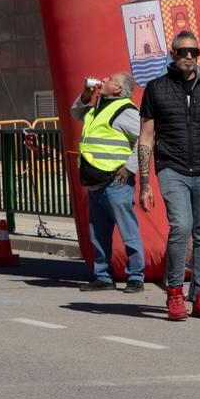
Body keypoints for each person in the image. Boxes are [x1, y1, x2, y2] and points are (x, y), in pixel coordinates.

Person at [137, 31, 200, 321]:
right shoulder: (156, 88)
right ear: (173, 54)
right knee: (181, 227)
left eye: (193, 52)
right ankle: (174, 293)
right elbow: (146, 138)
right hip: (172, 168)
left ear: (198, 54)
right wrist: (145, 183)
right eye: (183, 51)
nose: (188, 56)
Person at [71, 71, 144, 292]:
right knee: (98, 232)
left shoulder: (125, 110)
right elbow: (76, 113)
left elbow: (146, 138)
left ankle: (135, 277)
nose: (104, 80)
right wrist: (85, 94)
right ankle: (103, 276)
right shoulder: (97, 107)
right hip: (96, 180)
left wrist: (129, 167)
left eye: (110, 80)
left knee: (127, 230)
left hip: (115, 181)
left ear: (118, 90)